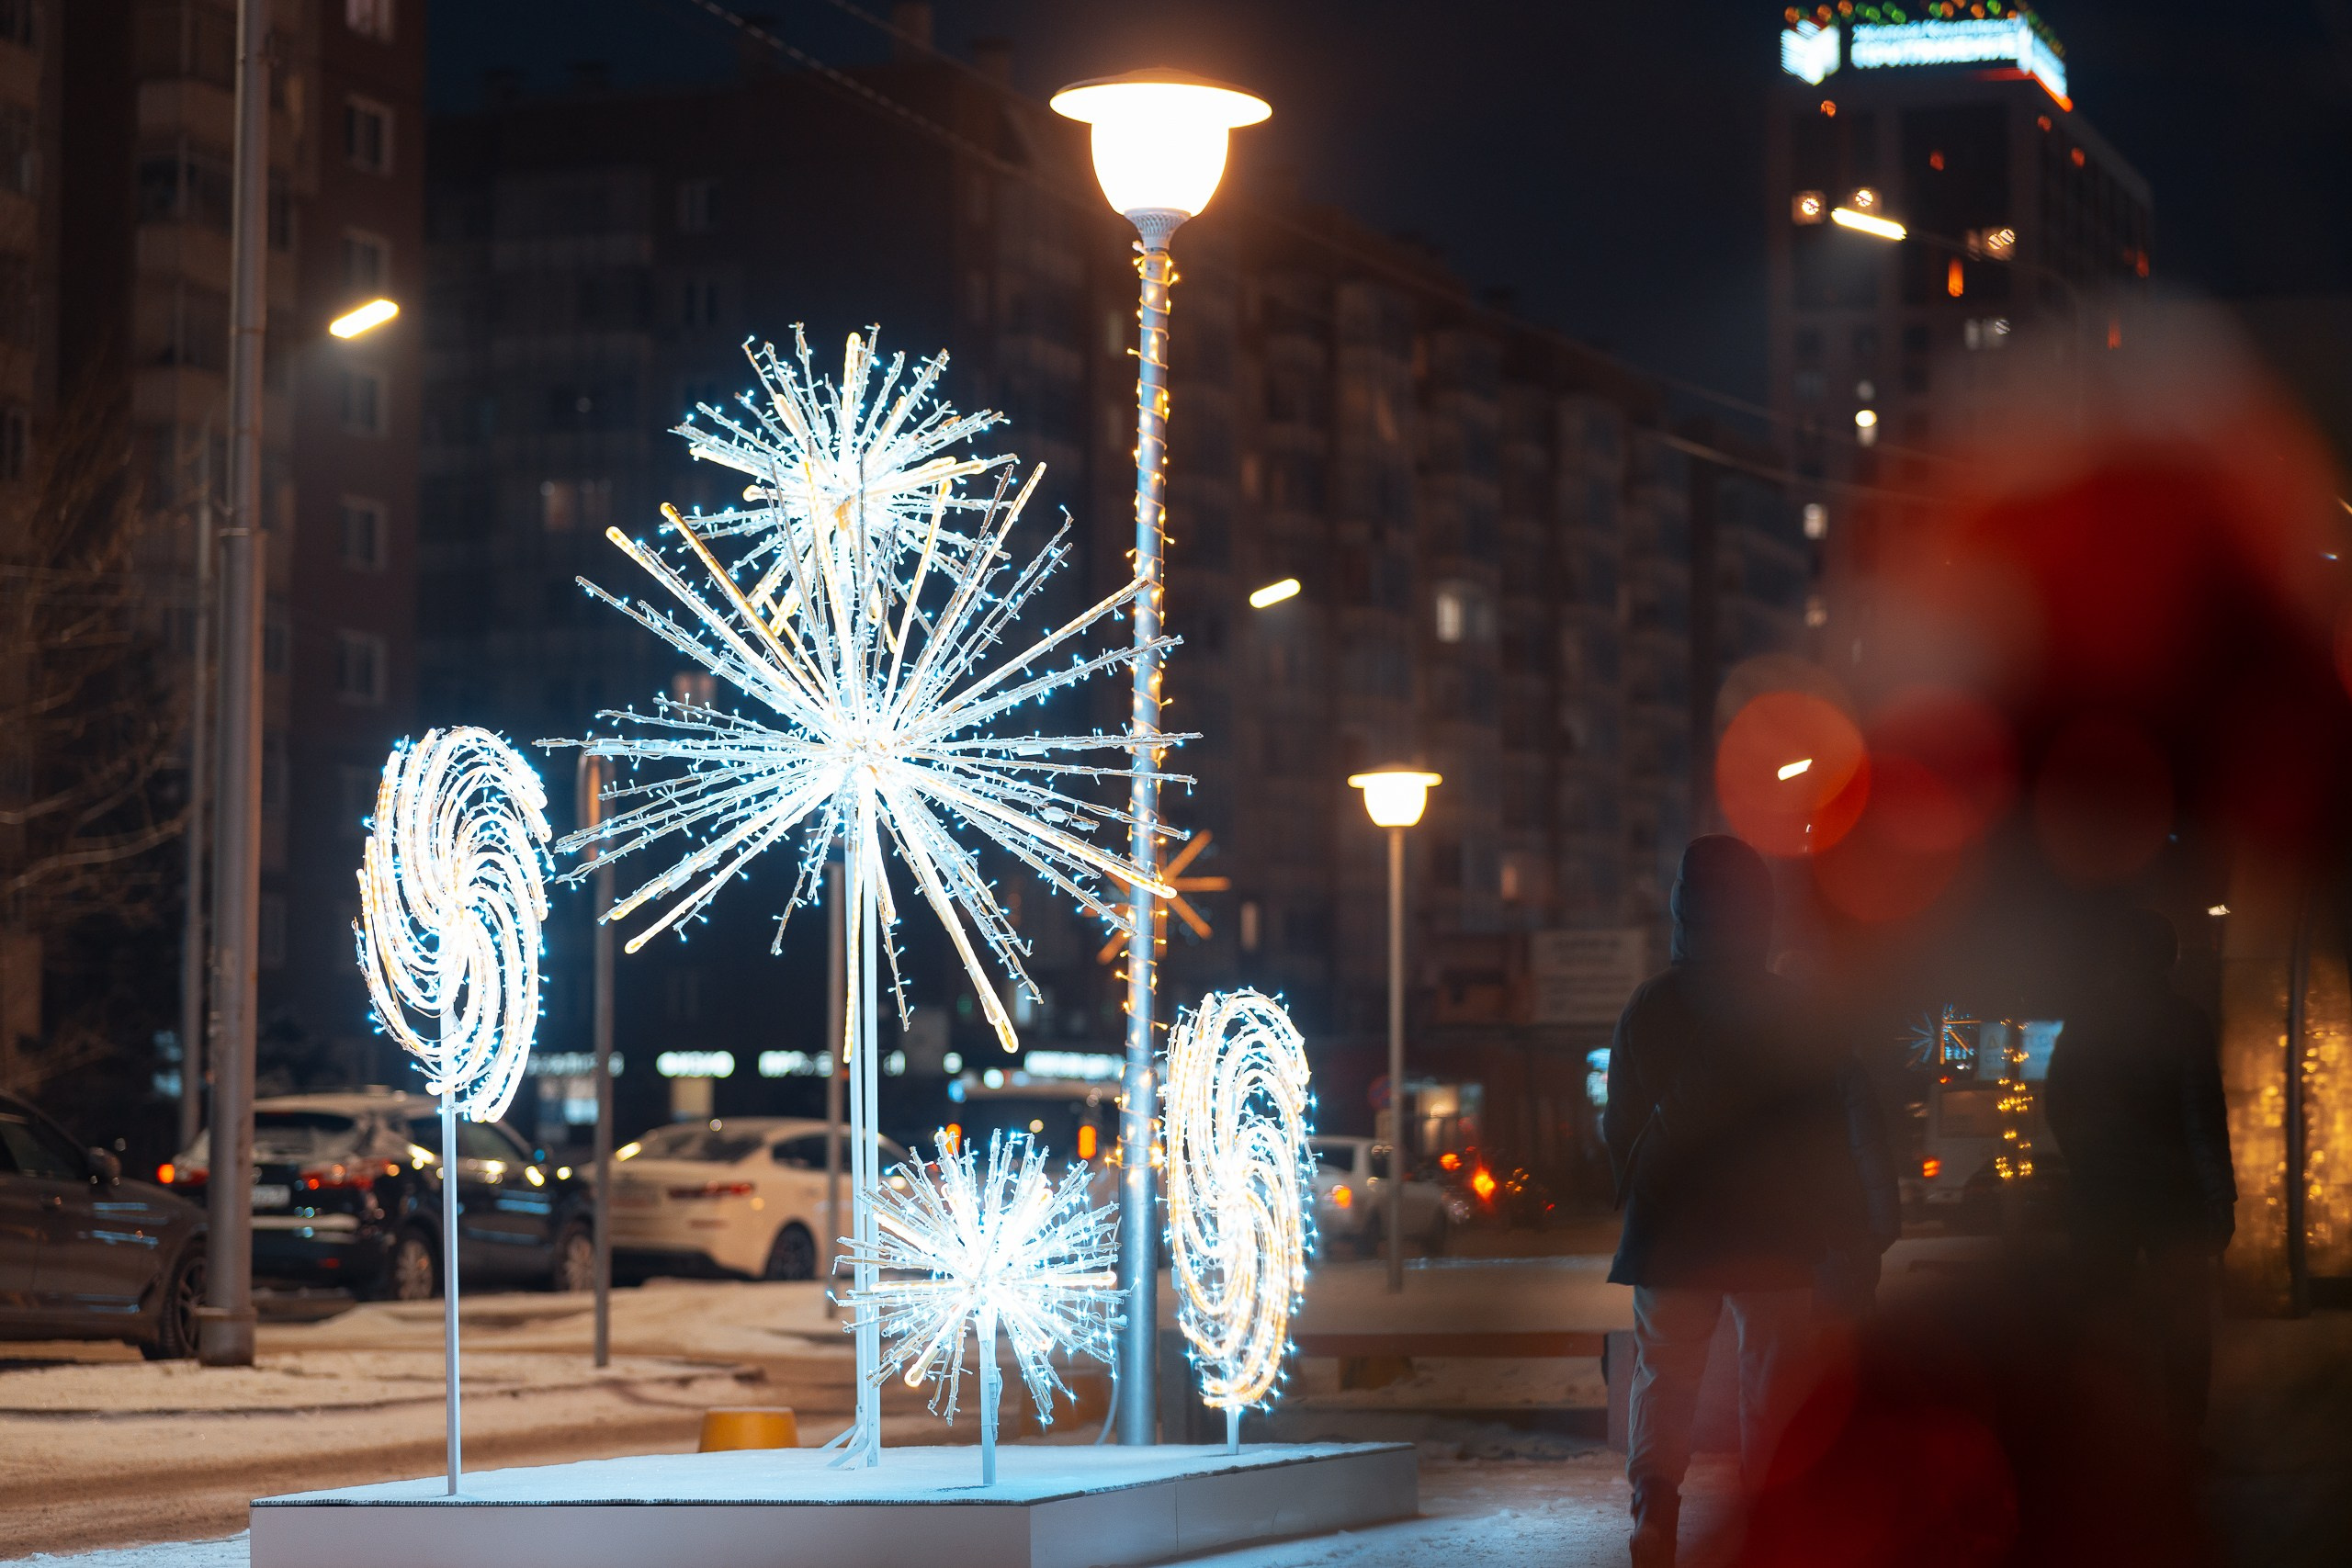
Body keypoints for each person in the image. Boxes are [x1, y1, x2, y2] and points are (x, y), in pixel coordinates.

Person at [1603, 835, 1852, 1568]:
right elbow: (1822, 1126)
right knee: (1775, 1377)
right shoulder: (1787, 1007)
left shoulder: (1649, 1004)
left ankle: (1655, 1507)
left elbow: (1620, 1124)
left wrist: (1634, 1187)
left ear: (1683, 908)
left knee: (1665, 1371)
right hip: (1771, 1226)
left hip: (1671, 1229)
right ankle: (1772, 1518)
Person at [2044, 906, 2235, 1432]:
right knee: (2185, 1325)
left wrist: (2087, 1161)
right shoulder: (2185, 1022)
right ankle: (2182, 1437)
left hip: (2100, 1195)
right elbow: (2203, 1117)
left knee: (2104, 1321)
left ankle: (2111, 1439)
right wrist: (2221, 1199)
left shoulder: (2086, 1023)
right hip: (2173, 1196)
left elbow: (2057, 1103)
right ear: (2167, 959)